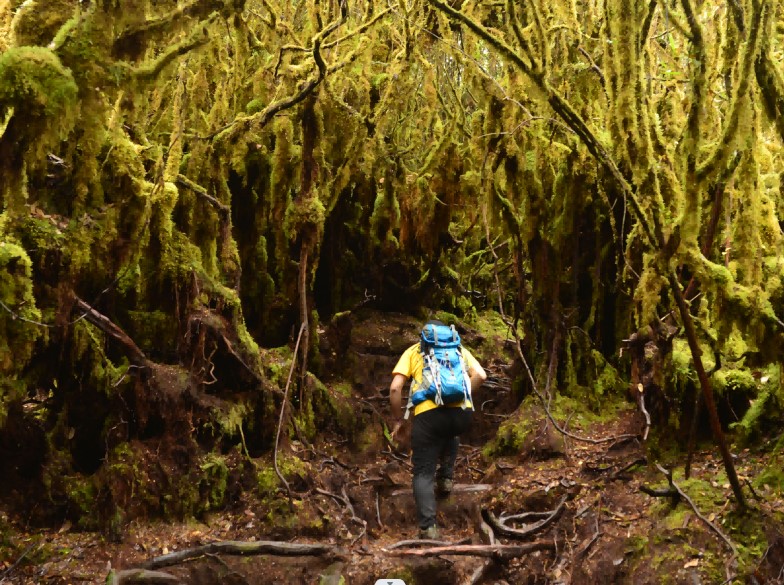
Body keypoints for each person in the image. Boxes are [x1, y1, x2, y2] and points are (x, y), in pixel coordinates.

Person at [389, 320, 487, 539]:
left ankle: (428, 528)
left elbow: (395, 388)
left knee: (423, 472)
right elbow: (481, 375)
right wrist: (463, 394)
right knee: (449, 432)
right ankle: (445, 479)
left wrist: (398, 419)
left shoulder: (414, 351)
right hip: (462, 414)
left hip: (429, 416)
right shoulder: (458, 348)